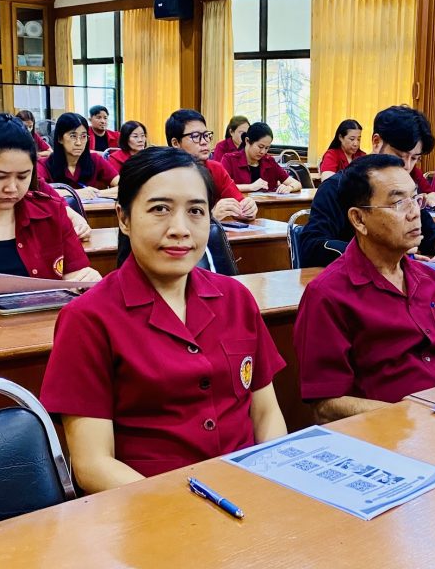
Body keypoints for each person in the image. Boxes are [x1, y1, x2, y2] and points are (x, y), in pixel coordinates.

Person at [39, 147, 288, 493]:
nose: (180, 229)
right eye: (160, 209)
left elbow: (266, 414)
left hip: (248, 495)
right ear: (124, 218)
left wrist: (273, 485)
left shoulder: (236, 299)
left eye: (196, 211)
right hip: (148, 507)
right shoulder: (88, 319)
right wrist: (188, 507)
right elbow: (92, 465)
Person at [294, 155, 435, 423]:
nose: (414, 213)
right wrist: (413, 417)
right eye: (398, 203)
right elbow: (326, 405)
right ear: (359, 219)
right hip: (391, 432)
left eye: (415, 199)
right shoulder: (328, 295)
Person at [298, 105, 435, 268]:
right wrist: (375, 253)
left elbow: (429, 232)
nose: (407, 166)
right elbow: (312, 246)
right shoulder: (335, 187)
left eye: (415, 158)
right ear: (376, 141)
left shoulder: (407, 190)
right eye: (399, 156)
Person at [0, 113, 100, 281]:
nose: (12, 188)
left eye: (23, 176)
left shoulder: (51, 213)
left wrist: (85, 279)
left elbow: (75, 273)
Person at [166, 109, 257, 222]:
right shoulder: (163, 174)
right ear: (175, 143)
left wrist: (247, 209)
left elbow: (240, 207)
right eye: (195, 136)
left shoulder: (216, 169)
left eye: (206, 135)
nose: (204, 141)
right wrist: (210, 216)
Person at [37, 113, 120, 200]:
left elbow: (124, 185)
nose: (79, 143)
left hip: (93, 208)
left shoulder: (95, 159)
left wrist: (95, 194)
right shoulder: (43, 164)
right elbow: (38, 191)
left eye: (83, 136)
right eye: (73, 136)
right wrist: (77, 193)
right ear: (60, 138)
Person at [221, 122, 302, 194]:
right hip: (239, 205)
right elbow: (222, 187)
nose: (263, 152)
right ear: (247, 141)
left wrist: (289, 188)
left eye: (267, 148)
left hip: (267, 205)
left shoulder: (269, 162)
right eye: (260, 146)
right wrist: (250, 187)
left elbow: (297, 184)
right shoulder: (229, 160)